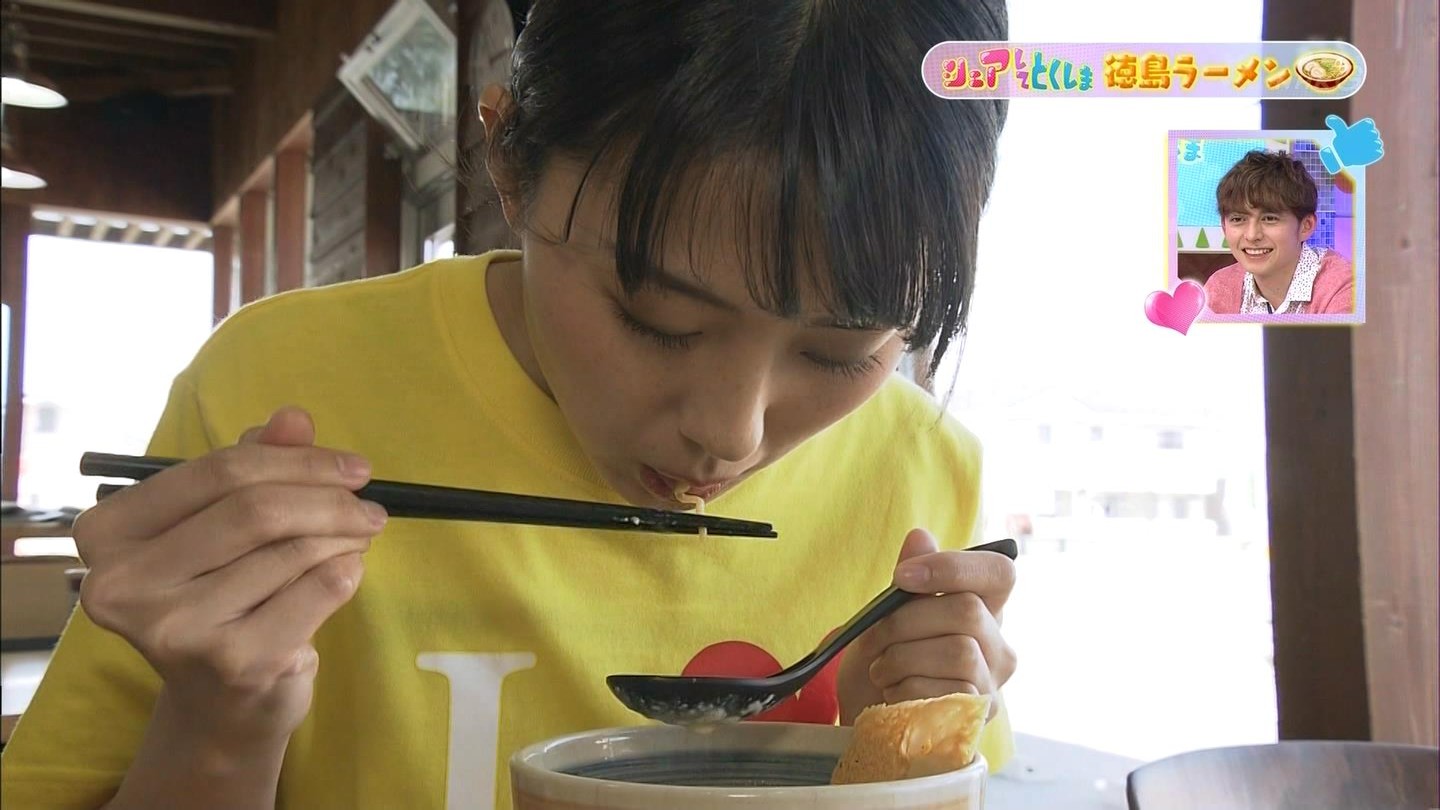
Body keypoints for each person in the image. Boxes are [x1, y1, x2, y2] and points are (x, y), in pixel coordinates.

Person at [0, 2, 1017, 808]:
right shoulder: (281, 386)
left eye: (841, 351)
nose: (730, 432)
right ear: (508, 159)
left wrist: (899, 764)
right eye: (658, 317)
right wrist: (218, 726)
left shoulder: (923, 474)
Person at [1203, 149, 1354, 315]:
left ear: (1306, 226)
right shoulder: (1218, 288)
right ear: (1224, 227)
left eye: (1269, 219)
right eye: (1238, 219)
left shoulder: (1344, 287)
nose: (1252, 235)